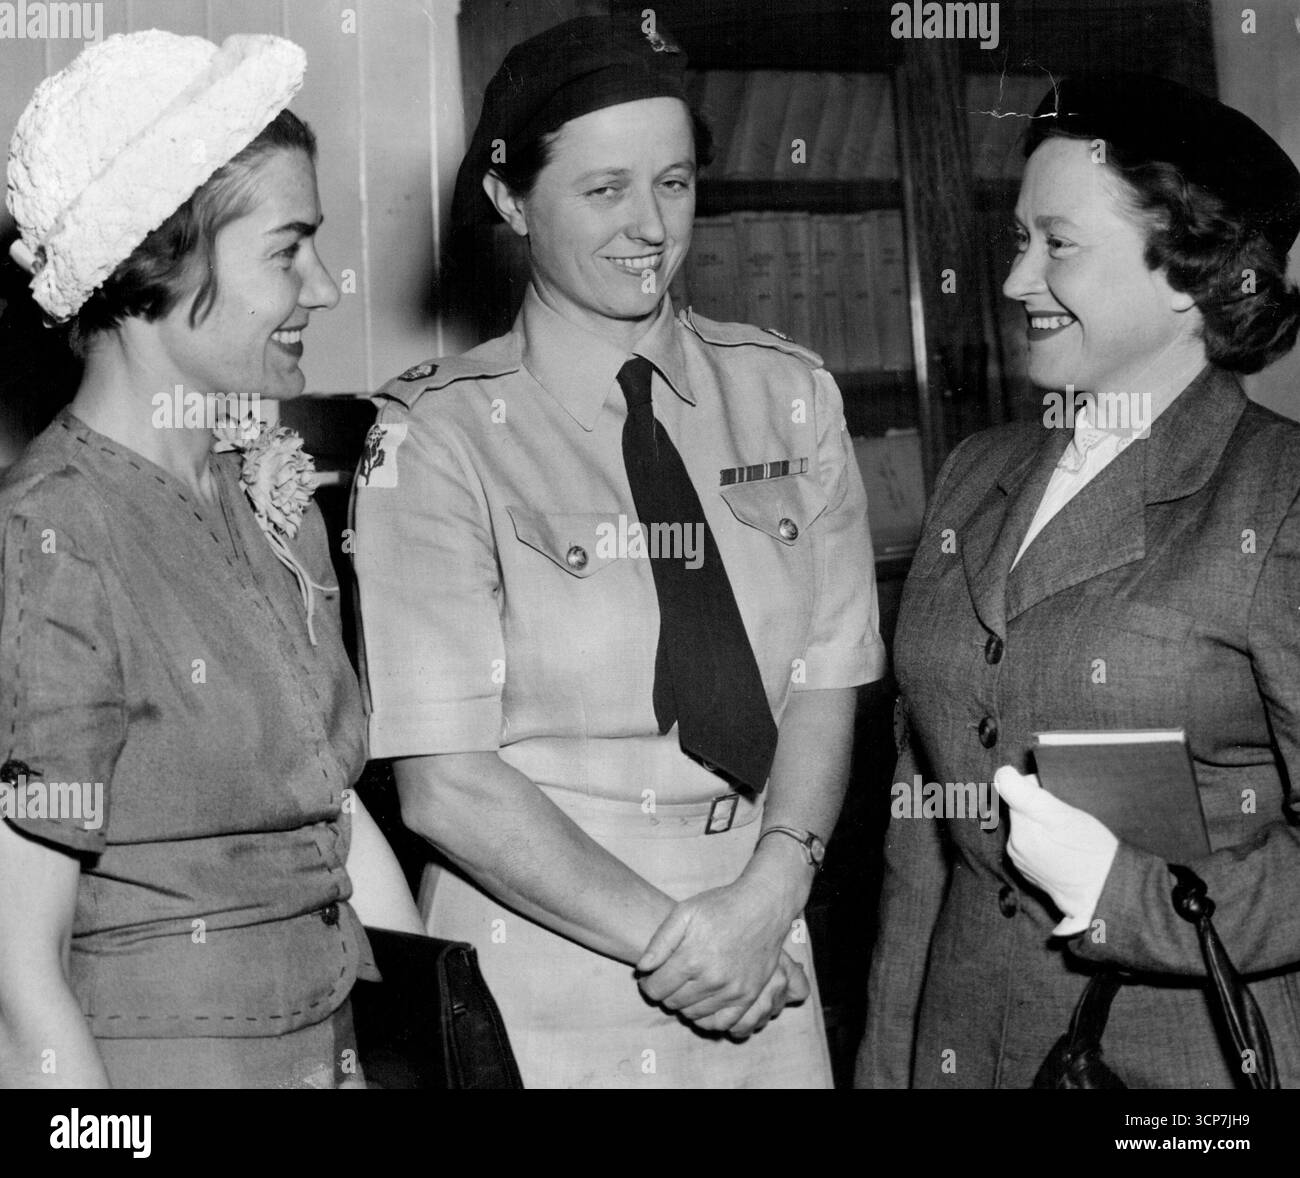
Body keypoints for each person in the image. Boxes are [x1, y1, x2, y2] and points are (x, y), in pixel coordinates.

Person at [352, 14, 883, 1089]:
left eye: (675, 184)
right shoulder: (437, 435)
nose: (648, 226)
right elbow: (443, 783)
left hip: (765, 935)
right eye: (602, 191)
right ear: (509, 201)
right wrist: (685, 945)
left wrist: (767, 895)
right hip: (551, 963)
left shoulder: (789, 396)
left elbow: (828, 681)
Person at [858, 73, 1300, 1089]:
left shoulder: (1275, 497)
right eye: (1017, 241)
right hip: (963, 1038)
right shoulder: (975, 471)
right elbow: (922, 818)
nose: (1014, 280)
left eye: (1055, 244)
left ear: (1189, 271)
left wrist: (1126, 894)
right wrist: (889, 1055)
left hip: (1184, 1059)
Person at [0, 29, 420, 1090]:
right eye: (288, 250)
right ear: (160, 256)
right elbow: (16, 983)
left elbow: (328, 803)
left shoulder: (263, 487)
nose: (324, 285)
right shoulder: (51, 541)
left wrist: (430, 1031)